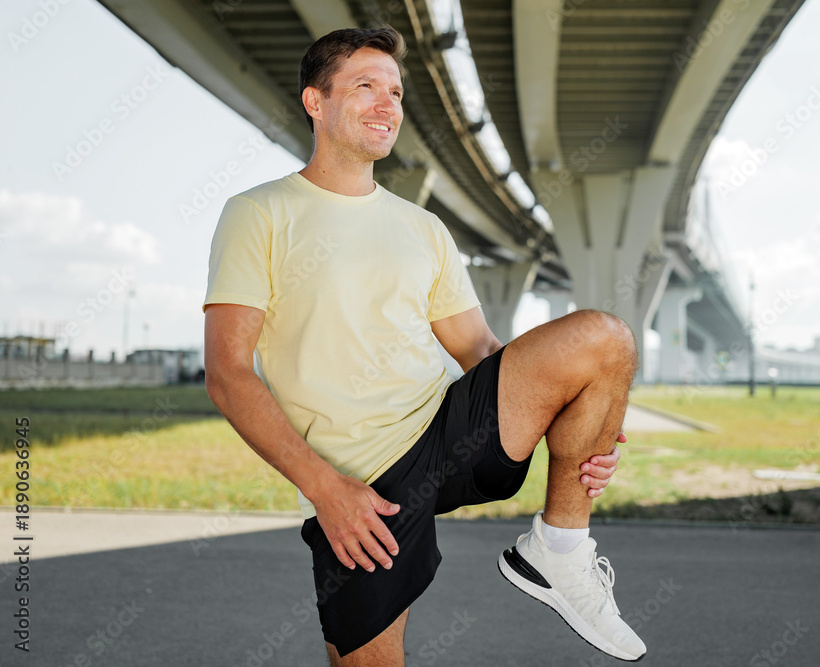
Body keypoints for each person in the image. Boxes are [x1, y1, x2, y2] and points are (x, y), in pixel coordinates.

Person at [203, 25, 646, 666]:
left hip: (450, 434)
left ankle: (560, 549)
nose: (388, 105)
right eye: (365, 87)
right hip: (364, 480)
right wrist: (327, 491)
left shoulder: (424, 228)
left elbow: (478, 349)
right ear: (315, 102)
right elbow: (227, 374)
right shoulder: (260, 213)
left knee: (606, 339)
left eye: (396, 92)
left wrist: (582, 418)